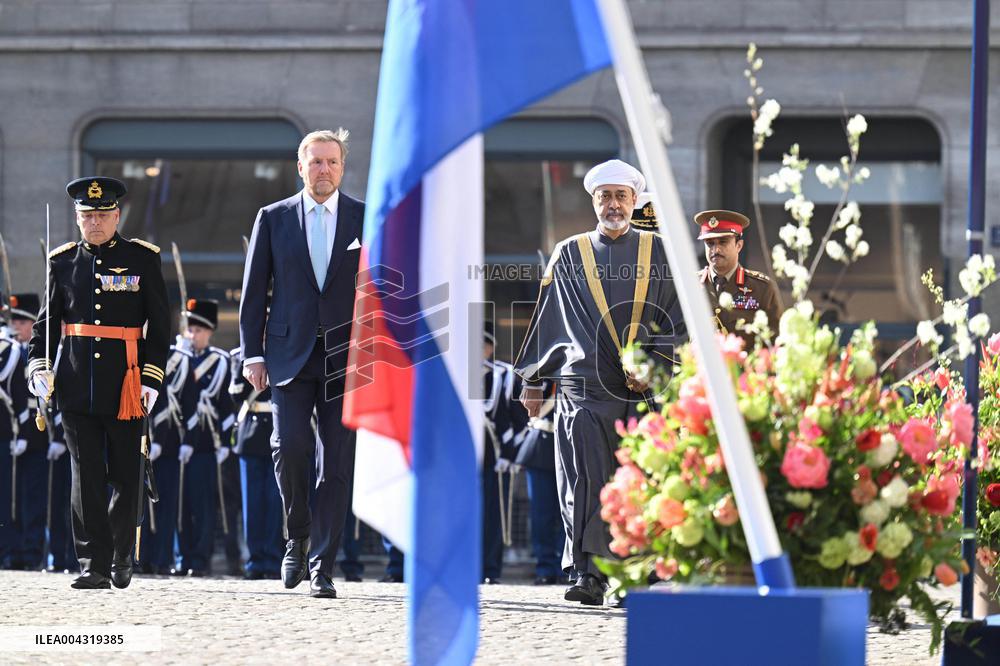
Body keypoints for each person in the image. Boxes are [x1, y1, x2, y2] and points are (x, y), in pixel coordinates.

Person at [514, 159, 685, 606]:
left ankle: (636, 572)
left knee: (641, 478)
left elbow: (681, 321)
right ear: (594, 201)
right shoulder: (569, 253)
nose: (613, 204)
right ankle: (588, 573)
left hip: (645, 389)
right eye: (604, 196)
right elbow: (547, 319)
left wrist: (649, 360)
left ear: (634, 201)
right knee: (586, 477)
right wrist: (534, 379)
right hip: (584, 384)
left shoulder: (661, 251)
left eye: (621, 196)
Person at [240, 129, 365, 599]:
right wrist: (252, 353)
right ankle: (297, 535)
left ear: (342, 167)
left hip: (345, 359)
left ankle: (322, 565)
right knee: (288, 446)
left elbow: (378, 292)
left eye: (332, 162)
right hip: (287, 356)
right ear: (300, 166)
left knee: (334, 464)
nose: (324, 170)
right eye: (315, 162)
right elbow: (255, 292)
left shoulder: (363, 218)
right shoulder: (273, 218)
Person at [28, 176, 170, 590]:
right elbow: (46, 327)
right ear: (77, 217)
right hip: (75, 384)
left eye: (103, 214)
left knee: (126, 475)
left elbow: (160, 327)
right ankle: (94, 561)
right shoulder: (62, 261)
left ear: (117, 216)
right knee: (85, 475)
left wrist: (152, 378)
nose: (95, 222)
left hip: (127, 384)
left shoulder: (142, 259)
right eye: (88, 215)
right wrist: (39, 367)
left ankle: (123, 552)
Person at [176, 298, 233, 576]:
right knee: (180, 506)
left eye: (198, 330)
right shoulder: (177, 359)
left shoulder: (220, 362)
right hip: (178, 443)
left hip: (206, 444)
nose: (192, 335)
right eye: (190, 329)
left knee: (203, 506)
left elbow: (227, 409)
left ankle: (200, 558)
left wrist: (224, 441)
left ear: (209, 332)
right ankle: (182, 556)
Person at [137, 330, 196, 575]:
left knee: (166, 506)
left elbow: (188, 404)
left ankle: (161, 559)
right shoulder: (134, 353)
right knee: (136, 506)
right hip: (138, 441)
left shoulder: (177, 359)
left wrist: (180, 441)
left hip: (169, 444)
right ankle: (137, 558)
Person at [229, 346, 283, 580]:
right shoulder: (239, 356)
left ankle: (272, 558)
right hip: (250, 434)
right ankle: (254, 560)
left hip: (276, 430)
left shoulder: (282, 352)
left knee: (274, 503)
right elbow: (235, 393)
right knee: (252, 504)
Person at [10, 294, 55, 570]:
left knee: (34, 500)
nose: (16, 326)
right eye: (13, 320)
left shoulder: (44, 353)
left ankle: (32, 552)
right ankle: (14, 551)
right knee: (13, 501)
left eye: (22, 321)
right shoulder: (9, 351)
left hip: (39, 437)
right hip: (14, 437)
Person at [694, 209, 781, 346]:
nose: (715, 250)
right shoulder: (690, 285)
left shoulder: (762, 288)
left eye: (723, 242)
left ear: (739, 246)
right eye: (710, 243)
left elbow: (775, 341)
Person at [512, 378, 566, 586]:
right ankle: (545, 566)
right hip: (541, 443)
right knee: (541, 514)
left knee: (567, 513)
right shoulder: (538, 374)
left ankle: (566, 567)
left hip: (569, 445)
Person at [0, 302, 27, 569]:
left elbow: (18, 394)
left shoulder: (10, 349)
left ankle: (7, 550)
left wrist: (22, 432)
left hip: (3, 433)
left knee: (5, 498)